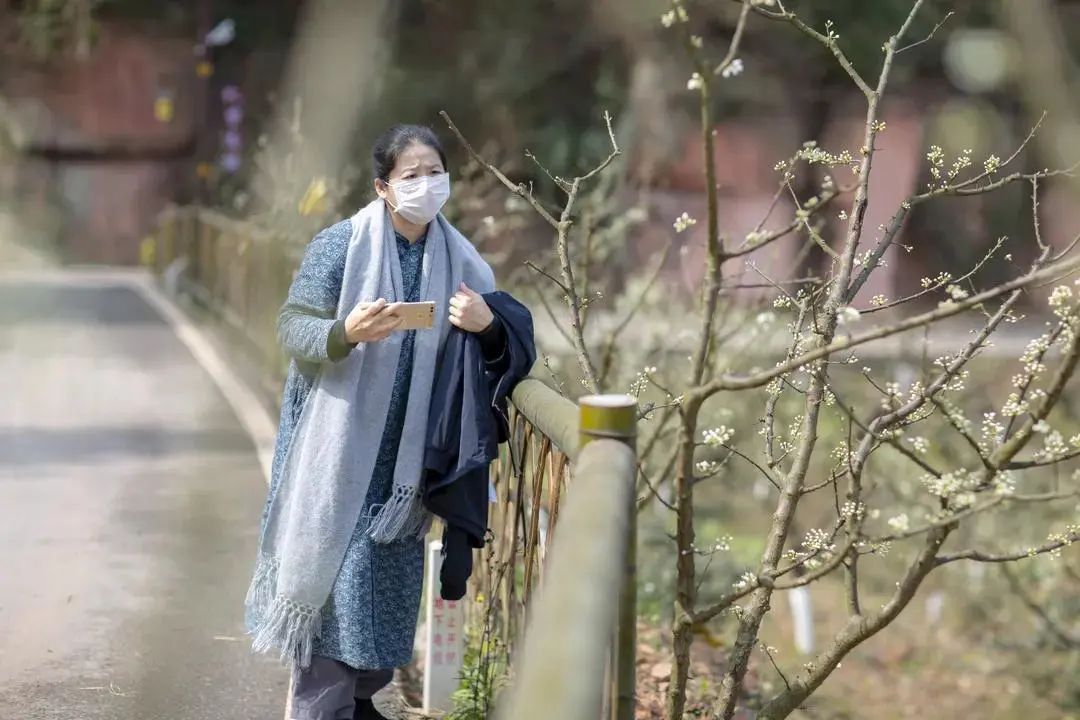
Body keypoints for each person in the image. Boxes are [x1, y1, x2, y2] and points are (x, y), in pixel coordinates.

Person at [245, 125, 511, 720]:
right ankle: (323, 708)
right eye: (411, 175)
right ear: (383, 187)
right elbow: (292, 327)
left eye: (435, 173)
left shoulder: (462, 261)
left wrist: (488, 324)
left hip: (405, 472)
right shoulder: (340, 246)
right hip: (335, 456)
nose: (426, 185)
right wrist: (345, 332)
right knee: (333, 592)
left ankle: (360, 701)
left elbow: (501, 348)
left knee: (379, 599)